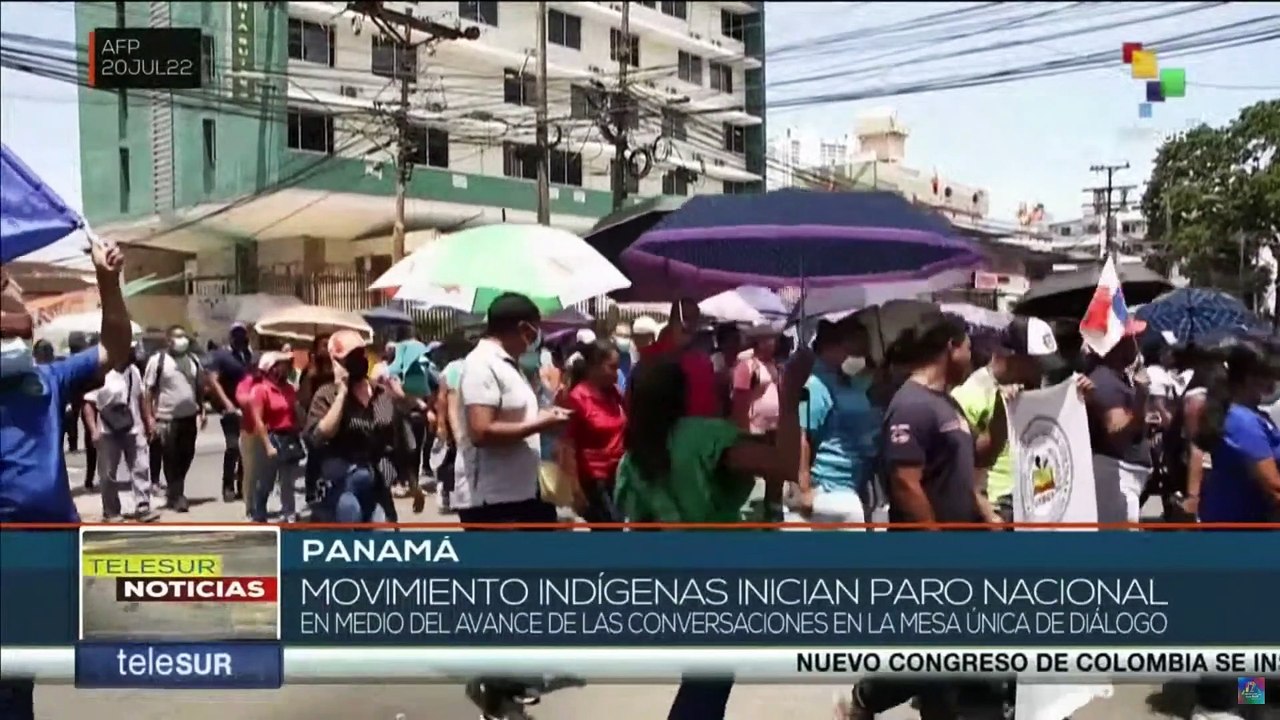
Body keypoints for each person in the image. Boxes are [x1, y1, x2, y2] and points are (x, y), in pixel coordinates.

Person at [614, 347, 811, 720]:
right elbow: (785, 465)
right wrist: (789, 397)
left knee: (704, 679)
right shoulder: (703, 437)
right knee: (708, 683)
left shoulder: (634, 452)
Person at [0, 241, 132, 720]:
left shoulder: (49, 380)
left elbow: (116, 348)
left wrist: (107, 282)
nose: (9, 346)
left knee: (16, 676)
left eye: (14, 336)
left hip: (45, 551)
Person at [838, 310, 982, 720]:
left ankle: (866, 699)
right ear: (951, 348)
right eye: (968, 346)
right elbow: (904, 482)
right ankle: (867, 698)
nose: (972, 355)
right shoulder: (911, 404)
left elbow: (973, 457)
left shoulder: (946, 402)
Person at [454, 293, 571, 720]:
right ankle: (496, 692)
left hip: (521, 493)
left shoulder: (507, 365)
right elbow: (482, 431)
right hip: (492, 500)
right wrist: (540, 422)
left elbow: (517, 416)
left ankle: (501, 681)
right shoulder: (480, 366)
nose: (535, 338)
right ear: (524, 327)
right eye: (534, 330)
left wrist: (547, 408)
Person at [951, 316, 1064, 523]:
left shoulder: (1032, 390)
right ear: (1011, 356)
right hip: (999, 507)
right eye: (1035, 363)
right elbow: (961, 469)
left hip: (1037, 500)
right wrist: (987, 513)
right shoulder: (970, 396)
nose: (1041, 371)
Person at [307, 330, 420, 523]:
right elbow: (321, 434)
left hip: (377, 482)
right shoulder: (327, 395)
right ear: (337, 362)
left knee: (385, 535)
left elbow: (397, 438)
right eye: (351, 357)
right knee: (350, 516)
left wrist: (412, 482)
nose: (359, 360)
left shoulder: (381, 394)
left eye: (361, 354)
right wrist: (342, 391)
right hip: (340, 484)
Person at [788, 319, 881, 528]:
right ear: (835, 347)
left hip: (856, 486)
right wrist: (803, 489)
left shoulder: (851, 382)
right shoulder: (816, 386)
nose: (860, 357)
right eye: (855, 350)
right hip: (829, 489)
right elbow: (802, 436)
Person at [1081, 318, 1151, 525]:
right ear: (1116, 344)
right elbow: (1117, 431)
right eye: (1131, 338)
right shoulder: (1105, 382)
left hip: (1122, 475)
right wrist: (1141, 398)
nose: (1136, 342)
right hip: (1115, 475)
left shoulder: (1115, 377)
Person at [84, 342, 158, 523]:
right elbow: (89, 404)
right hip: (108, 432)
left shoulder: (134, 371)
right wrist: (93, 430)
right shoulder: (102, 374)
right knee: (108, 473)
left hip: (133, 428)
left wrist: (148, 420)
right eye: (129, 349)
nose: (132, 352)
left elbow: (140, 397)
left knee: (140, 467)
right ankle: (111, 510)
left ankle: (143, 505)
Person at [560, 338, 626, 525]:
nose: (617, 373)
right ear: (594, 367)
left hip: (618, 476)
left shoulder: (615, 394)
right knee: (612, 528)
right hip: (594, 480)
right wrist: (575, 487)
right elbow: (567, 446)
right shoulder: (577, 399)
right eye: (612, 367)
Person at [143, 324, 206, 512]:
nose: (182, 340)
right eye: (177, 336)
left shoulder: (193, 360)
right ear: (168, 340)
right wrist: (150, 419)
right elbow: (148, 392)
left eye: (183, 336)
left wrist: (201, 410)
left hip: (189, 417)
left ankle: (174, 490)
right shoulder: (158, 361)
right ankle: (177, 495)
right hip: (166, 418)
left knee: (187, 455)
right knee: (171, 457)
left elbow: (199, 387)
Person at [635, 299, 719, 418]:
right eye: (684, 318)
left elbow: (710, 405)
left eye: (694, 319)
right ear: (672, 320)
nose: (689, 325)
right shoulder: (650, 356)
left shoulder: (703, 363)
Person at [247, 351, 302, 523]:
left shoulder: (289, 389)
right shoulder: (260, 390)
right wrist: (268, 445)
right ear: (271, 368)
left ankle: (289, 514)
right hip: (271, 437)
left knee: (287, 481)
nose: (286, 368)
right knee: (266, 480)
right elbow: (258, 420)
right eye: (282, 364)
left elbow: (294, 412)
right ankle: (259, 513)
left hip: (289, 437)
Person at [205, 323, 254, 502]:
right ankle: (227, 485)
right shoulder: (222, 356)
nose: (240, 338)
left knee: (246, 449)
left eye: (243, 334)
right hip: (230, 409)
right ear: (231, 336)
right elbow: (213, 380)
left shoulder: (248, 356)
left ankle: (243, 485)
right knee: (233, 446)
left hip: (248, 408)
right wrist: (226, 403)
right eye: (237, 335)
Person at [298, 333, 334, 504]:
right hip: (314, 421)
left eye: (329, 345)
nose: (326, 349)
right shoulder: (310, 371)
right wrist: (310, 376)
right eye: (323, 345)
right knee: (315, 457)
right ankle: (311, 491)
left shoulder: (336, 369)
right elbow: (303, 399)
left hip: (333, 419)